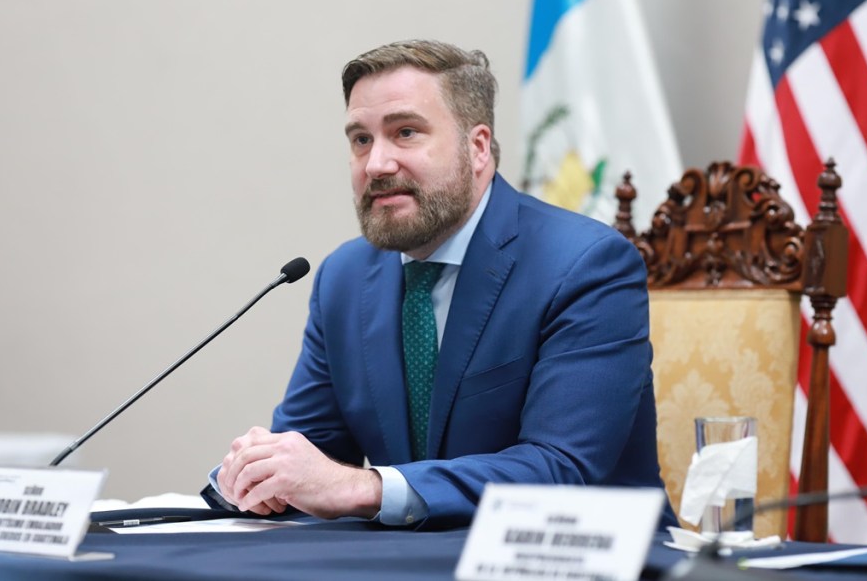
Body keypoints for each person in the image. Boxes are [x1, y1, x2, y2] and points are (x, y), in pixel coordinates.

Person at [204, 39, 675, 529]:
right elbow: (311, 459)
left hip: (580, 560)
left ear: (476, 147)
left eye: (405, 132)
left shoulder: (585, 264)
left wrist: (363, 487)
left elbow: (560, 468)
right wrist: (259, 475)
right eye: (360, 140)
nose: (376, 165)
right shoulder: (343, 278)